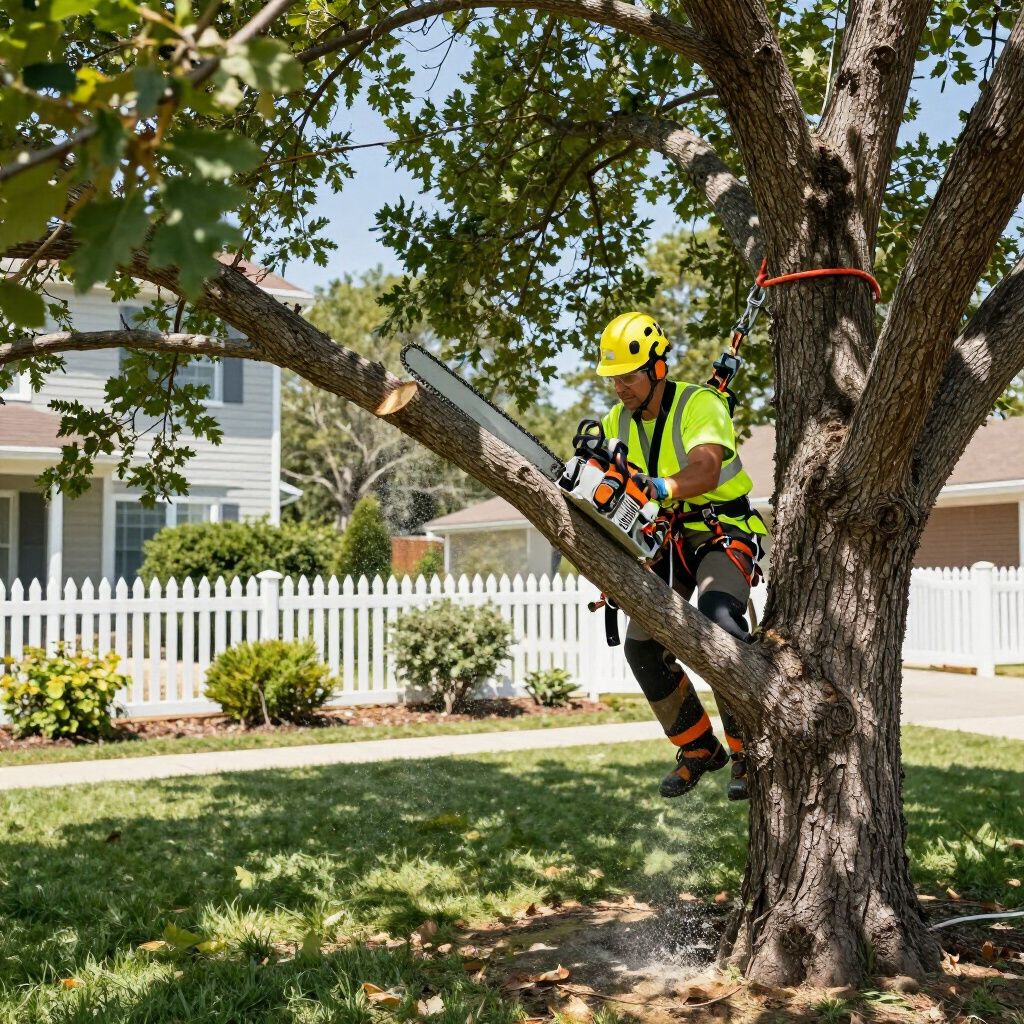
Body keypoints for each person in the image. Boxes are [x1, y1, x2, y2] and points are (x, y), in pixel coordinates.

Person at [596, 311, 769, 800]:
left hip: (721, 530)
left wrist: (659, 487)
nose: (620, 389)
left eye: (627, 377)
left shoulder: (701, 404)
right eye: (613, 379)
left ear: (657, 369)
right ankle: (698, 747)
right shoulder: (617, 422)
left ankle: (748, 749)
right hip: (666, 541)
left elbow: (707, 469)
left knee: (720, 623)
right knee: (641, 645)